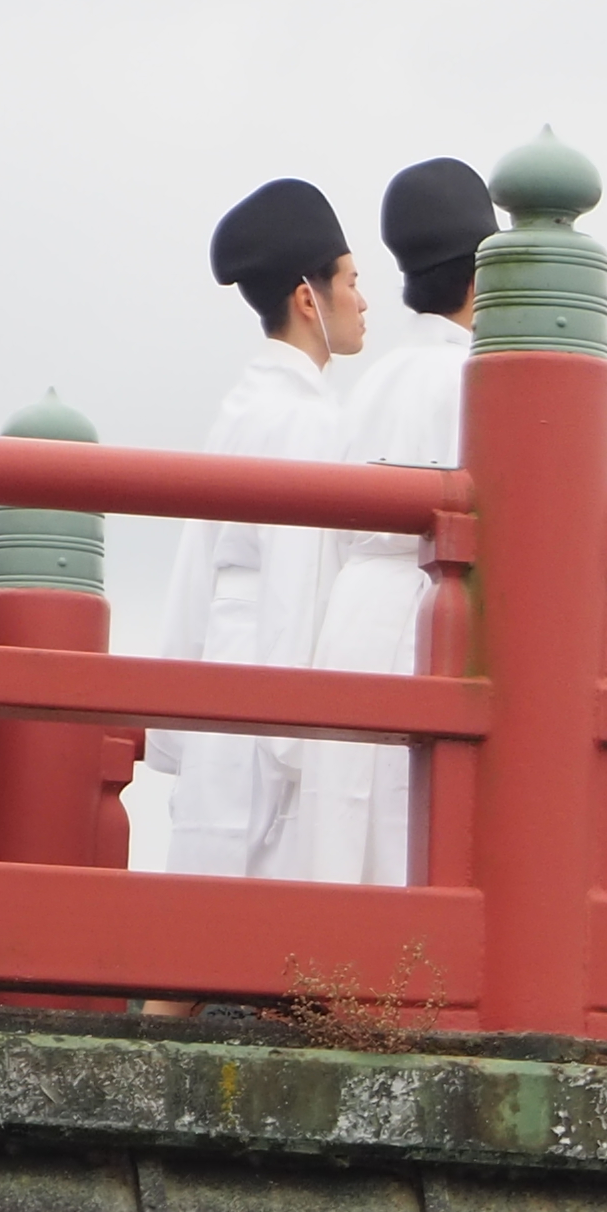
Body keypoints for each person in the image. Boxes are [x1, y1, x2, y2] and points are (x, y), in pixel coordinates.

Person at [143, 178, 363, 880]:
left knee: (194, 904)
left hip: (222, 673)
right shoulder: (310, 419)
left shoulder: (243, 405)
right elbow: (301, 583)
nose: (363, 302)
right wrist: (298, 737)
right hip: (272, 682)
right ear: (309, 298)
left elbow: (192, 567)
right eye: (352, 282)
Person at [286, 158, 494, 886]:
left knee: (347, 832)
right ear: (484, 274)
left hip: (353, 609)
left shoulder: (375, 378)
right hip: (426, 610)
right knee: (413, 832)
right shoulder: (480, 376)